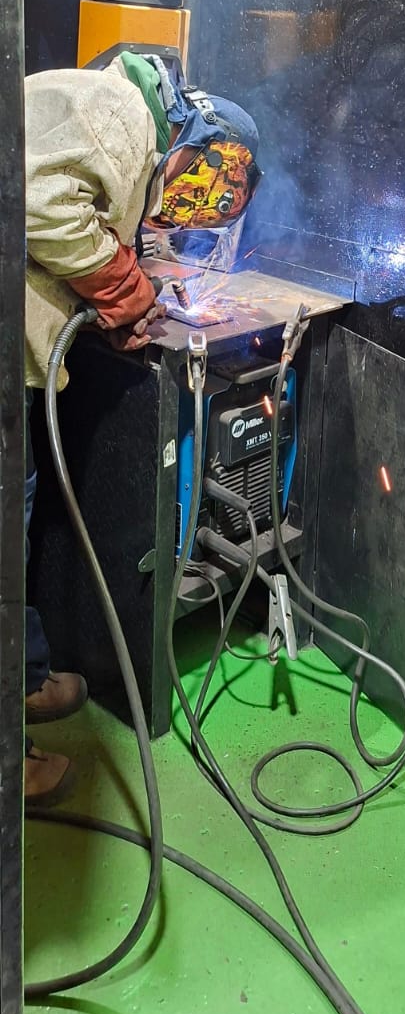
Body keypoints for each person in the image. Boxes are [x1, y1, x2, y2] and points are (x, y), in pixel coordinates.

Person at [25, 50, 260, 804]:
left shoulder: (114, 114)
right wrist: (126, 290)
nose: (180, 213)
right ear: (197, 152)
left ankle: (22, 678)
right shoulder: (121, 113)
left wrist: (128, 274)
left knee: (14, 522)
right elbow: (41, 204)